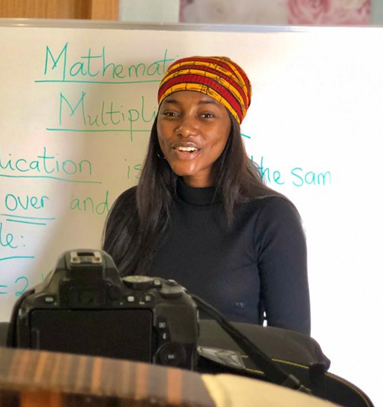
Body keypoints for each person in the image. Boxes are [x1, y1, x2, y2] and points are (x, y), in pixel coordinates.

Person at [103, 56, 311, 335]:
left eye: (206, 115)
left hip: (226, 380)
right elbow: (106, 322)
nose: (185, 128)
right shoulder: (132, 207)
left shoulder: (270, 217)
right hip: (138, 379)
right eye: (172, 114)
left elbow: (292, 348)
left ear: (231, 129)